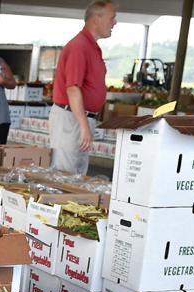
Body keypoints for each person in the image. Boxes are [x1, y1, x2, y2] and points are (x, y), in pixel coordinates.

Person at [50, 1, 116, 175]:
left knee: (77, 174)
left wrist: (86, 123)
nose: (114, 23)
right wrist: (83, 124)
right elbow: (72, 88)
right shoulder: (79, 46)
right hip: (72, 118)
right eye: (112, 18)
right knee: (65, 175)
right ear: (97, 18)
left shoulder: (92, 47)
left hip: (79, 117)